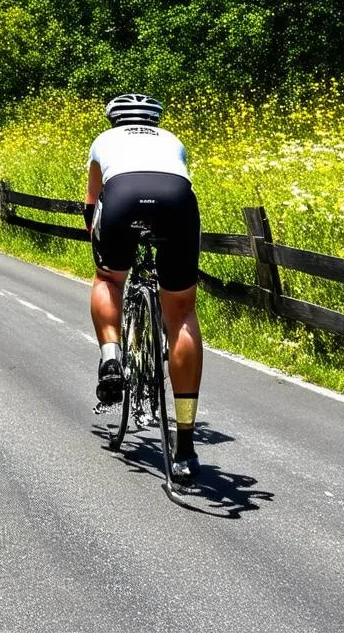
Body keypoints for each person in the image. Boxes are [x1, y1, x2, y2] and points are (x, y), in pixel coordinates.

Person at [85, 93, 203, 485]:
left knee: (108, 278)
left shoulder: (104, 141)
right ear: (155, 120)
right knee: (183, 312)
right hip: (176, 201)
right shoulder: (172, 141)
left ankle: (111, 357)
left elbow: (92, 204)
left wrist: (101, 241)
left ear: (114, 119)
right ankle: (184, 446)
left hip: (121, 197)